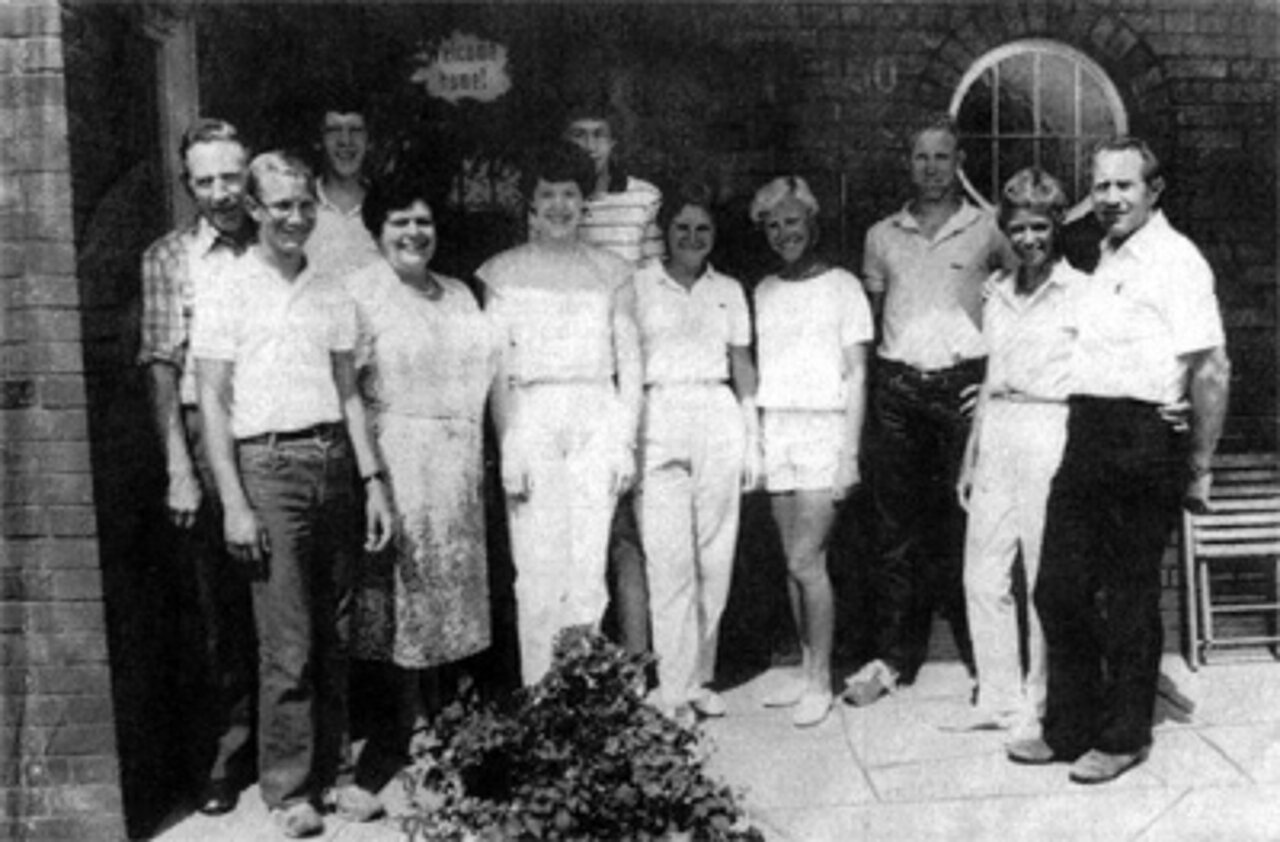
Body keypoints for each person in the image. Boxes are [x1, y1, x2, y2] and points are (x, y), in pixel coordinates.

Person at [1007, 137, 1230, 784]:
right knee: (1058, 588)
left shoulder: (1177, 261)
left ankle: (1125, 735)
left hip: (1143, 438)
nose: (1109, 198)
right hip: (1086, 431)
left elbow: (1211, 369)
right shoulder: (1106, 254)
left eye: (1123, 185)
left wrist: (1199, 465)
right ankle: (1069, 727)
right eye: (1101, 185)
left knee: (1130, 595)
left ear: (1153, 191)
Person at [193, 151, 395, 837]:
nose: (296, 217)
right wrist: (234, 501)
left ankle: (338, 777)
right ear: (254, 209)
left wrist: (371, 481)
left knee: (335, 632)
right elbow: (213, 401)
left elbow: (349, 393)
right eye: (281, 205)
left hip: (332, 461)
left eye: (306, 204)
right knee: (287, 639)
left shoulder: (332, 289)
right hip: (268, 465)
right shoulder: (227, 288)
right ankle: (288, 790)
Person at [846, 115, 1013, 707]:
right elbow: (871, 322)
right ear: (908, 163)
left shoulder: (988, 229)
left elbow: (1017, 305)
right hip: (898, 391)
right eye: (922, 157)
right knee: (894, 530)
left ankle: (985, 661)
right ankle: (893, 659)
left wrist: (989, 381)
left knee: (972, 526)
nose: (932, 168)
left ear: (959, 162)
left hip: (963, 389)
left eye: (943, 157)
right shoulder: (881, 235)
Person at [343, 176, 498, 772]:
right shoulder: (361, 292)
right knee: (404, 596)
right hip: (398, 458)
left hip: (457, 462)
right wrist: (370, 478)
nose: (414, 233)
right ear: (377, 231)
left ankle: (446, 723)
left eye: (423, 221)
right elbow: (347, 393)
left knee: (451, 593)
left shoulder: (458, 293)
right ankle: (399, 733)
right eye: (400, 222)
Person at [477, 141, 642, 686]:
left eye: (569, 194)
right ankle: (540, 698)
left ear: (583, 202)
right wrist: (510, 444)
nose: (559, 206)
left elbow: (630, 363)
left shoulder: (612, 271)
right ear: (531, 203)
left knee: (588, 568)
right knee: (536, 570)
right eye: (547, 195)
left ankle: (583, 699)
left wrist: (623, 442)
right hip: (532, 414)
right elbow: (498, 370)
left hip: (596, 412)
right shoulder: (504, 273)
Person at [137, 118, 256, 816]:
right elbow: (161, 367)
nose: (221, 192)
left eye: (231, 176)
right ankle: (224, 757)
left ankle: (292, 748)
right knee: (216, 607)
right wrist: (179, 467)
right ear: (188, 185)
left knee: (280, 598)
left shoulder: (278, 244)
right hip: (200, 431)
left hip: (271, 428)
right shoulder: (169, 256)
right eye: (205, 181)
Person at [949, 168, 1088, 736]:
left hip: (1050, 427)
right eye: (1018, 228)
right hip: (999, 431)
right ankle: (998, 698)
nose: (1028, 238)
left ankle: (1041, 700)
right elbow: (990, 377)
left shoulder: (1082, 292)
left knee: (1041, 576)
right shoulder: (996, 293)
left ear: (1056, 226)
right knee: (982, 574)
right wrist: (970, 456)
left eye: (1039, 227)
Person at [632, 181, 759, 723]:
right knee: (669, 561)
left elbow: (743, 367)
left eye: (702, 228)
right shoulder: (638, 285)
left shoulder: (728, 289)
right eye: (681, 228)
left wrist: (753, 441)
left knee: (714, 556)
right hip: (658, 413)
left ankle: (700, 678)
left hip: (717, 413)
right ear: (664, 233)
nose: (691, 237)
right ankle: (672, 687)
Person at [750, 176, 872, 727]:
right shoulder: (763, 290)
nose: (784, 233)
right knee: (791, 562)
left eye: (792, 221)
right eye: (773, 225)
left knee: (807, 559)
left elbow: (857, 374)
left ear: (812, 223)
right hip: (777, 426)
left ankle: (822, 681)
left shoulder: (844, 286)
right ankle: (805, 671)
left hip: (825, 429)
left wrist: (849, 453)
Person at [564, 103, 663, 659]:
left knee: (624, 527)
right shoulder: (555, 198)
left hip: (621, 373)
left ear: (614, 143)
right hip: (570, 375)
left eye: (598, 135)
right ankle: (582, 664)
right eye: (578, 135)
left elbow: (652, 287)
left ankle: (637, 660)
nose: (588, 145)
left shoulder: (642, 200)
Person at [305, 95, 380, 281]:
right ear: (318, 141)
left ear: (370, 141)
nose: (345, 141)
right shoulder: (299, 205)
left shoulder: (389, 208)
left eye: (356, 130)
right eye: (333, 130)